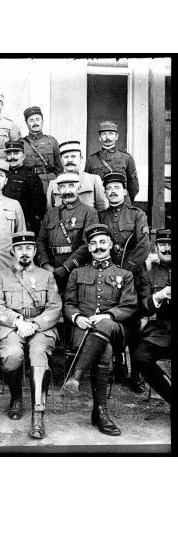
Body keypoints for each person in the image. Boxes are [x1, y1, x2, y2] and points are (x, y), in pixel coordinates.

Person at [63, 224, 137, 436]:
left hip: (115, 329)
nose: (98, 247)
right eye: (93, 243)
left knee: (104, 327)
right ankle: (100, 412)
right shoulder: (77, 273)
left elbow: (129, 306)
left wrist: (107, 315)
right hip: (84, 330)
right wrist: (77, 318)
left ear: (111, 244)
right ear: (88, 247)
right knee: (103, 350)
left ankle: (76, 375)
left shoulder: (125, 274)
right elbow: (68, 303)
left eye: (102, 242)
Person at [0, 232, 62, 439]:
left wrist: (35, 324)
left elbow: (55, 306)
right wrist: (17, 321)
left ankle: (38, 413)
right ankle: (16, 398)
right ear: (13, 251)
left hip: (40, 326)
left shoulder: (46, 276)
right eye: (20, 249)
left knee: (38, 353)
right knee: (12, 355)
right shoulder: (1, 276)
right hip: (12, 326)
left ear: (35, 251)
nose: (24, 252)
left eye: (28, 248)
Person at [99, 171, 151, 387]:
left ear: (124, 191)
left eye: (116, 188)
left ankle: (137, 372)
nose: (113, 192)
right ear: (105, 192)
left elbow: (144, 246)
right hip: (110, 277)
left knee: (136, 322)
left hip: (135, 275)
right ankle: (118, 363)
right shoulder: (100, 216)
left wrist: (126, 270)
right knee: (114, 316)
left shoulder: (137, 214)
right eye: (109, 189)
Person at [36, 172, 99, 295]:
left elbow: (88, 244)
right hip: (51, 270)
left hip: (76, 269)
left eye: (71, 186)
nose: (66, 191)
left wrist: (66, 267)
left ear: (79, 188)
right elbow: (41, 241)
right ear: (58, 190)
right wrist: (46, 264)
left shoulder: (89, 212)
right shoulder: (51, 213)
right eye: (62, 187)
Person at [131, 229, 171, 404]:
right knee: (140, 356)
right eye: (162, 244)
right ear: (156, 246)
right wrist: (159, 296)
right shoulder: (149, 274)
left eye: (170, 244)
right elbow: (143, 307)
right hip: (161, 332)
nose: (167, 248)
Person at [85, 121, 139, 205]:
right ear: (99, 137)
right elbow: (87, 183)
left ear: (116, 136)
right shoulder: (91, 159)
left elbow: (134, 186)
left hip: (122, 205)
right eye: (104, 134)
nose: (107, 137)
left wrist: (125, 201)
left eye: (111, 133)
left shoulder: (127, 158)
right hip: (100, 205)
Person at [46, 141, 108, 211]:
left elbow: (102, 209)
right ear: (61, 160)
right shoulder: (53, 183)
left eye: (73, 156)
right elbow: (50, 212)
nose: (70, 160)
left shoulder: (93, 180)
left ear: (81, 159)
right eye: (66, 157)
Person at [2, 140, 47, 236]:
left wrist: (27, 222)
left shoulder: (31, 177)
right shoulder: (2, 176)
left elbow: (39, 205)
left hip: (24, 225)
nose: (12, 157)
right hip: (3, 224)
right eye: (9, 154)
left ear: (23, 156)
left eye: (16, 153)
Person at [21, 106, 62, 193]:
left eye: (37, 119)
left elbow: (59, 168)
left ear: (42, 121)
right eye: (31, 120)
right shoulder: (21, 143)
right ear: (26, 123)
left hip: (48, 183)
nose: (35, 123)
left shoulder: (52, 141)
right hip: (28, 183)